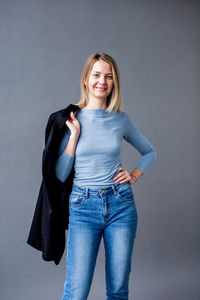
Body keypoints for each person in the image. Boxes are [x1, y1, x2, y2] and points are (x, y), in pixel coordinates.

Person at [55, 53, 157, 300]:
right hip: (82, 206)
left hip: (120, 205)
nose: (102, 81)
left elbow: (149, 152)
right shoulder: (71, 119)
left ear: (114, 83)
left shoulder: (120, 119)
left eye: (109, 76)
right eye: (97, 75)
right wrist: (75, 137)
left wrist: (134, 175)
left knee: (118, 290)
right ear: (86, 79)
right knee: (76, 291)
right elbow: (60, 174)